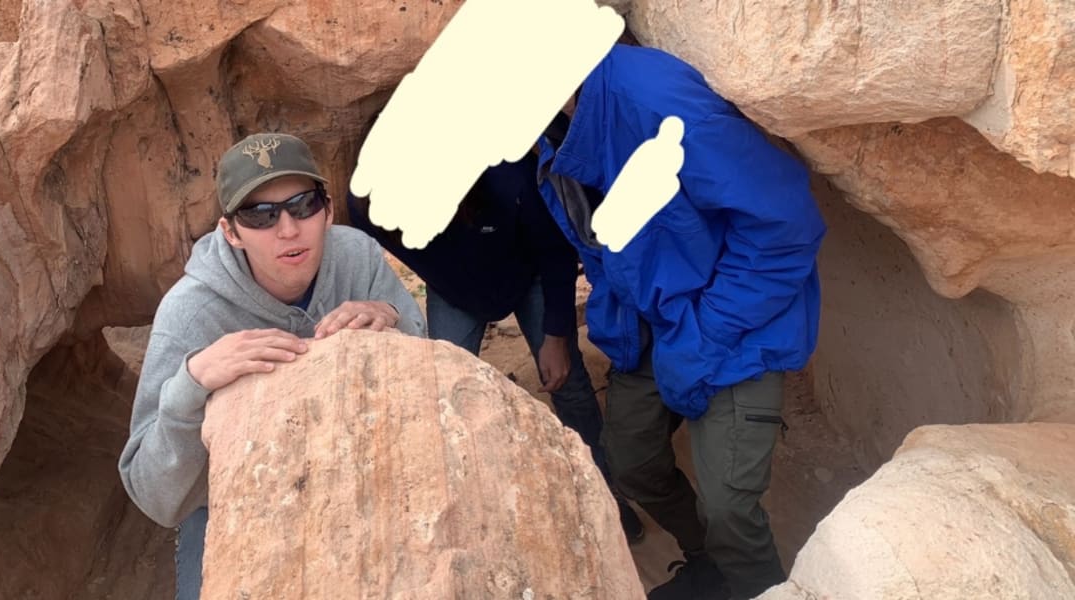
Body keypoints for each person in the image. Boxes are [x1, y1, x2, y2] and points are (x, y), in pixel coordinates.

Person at [534, 43, 827, 600]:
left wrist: (705, 334)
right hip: (655, 323)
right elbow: (604, 242)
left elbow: (786, 224)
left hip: (737, 319)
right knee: (631, 464)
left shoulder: (652, 99)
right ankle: (710, 566)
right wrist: (619, 325)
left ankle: (754, 584)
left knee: (728, 510)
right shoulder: (549, 129)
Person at [118, 133, 426, 600]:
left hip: (353, 462)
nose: (288, 229)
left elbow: (425, 361)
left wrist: (392, 316)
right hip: (231, 497)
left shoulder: (356, 258)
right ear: (230, 232)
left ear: (327, 209)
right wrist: (191, 384)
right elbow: (155, 498)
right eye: (260, 215)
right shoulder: (190, 316)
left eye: (303, 205)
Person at [347, 150, 646, 543]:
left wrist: (556, 335)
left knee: (567, 381)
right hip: (453, 288)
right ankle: (459, 500)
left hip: (526, 272)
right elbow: (376, 261)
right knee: (440, 393)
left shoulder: (505, 173)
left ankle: (604, 488)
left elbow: (554, 251)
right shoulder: (365, 202)